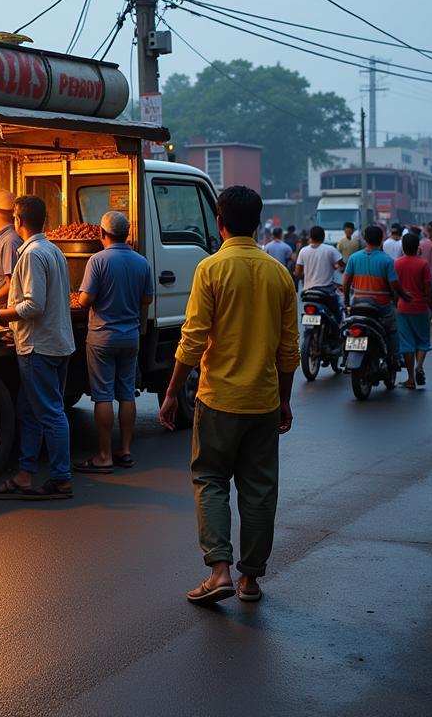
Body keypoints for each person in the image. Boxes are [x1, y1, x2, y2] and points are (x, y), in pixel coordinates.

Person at [159, 185, 299, 607]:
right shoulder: (279, 273)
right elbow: (289, 349)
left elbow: (193, 340)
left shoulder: (211, 268)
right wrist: (285, 400)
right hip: (263, 400)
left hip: (217, 399)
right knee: (259, 489)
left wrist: (170, 394)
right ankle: (250, 581)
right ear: (256, 224)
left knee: (211, 479)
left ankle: (218, 570)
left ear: (219, 223)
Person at [0, 195, 75, 501]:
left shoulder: (31, 254)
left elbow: (33, 304)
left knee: (50, 413)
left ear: (17, 220)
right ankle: (25, 474)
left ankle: (61, 479)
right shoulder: (53, 250)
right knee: (30, 411)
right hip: (54, 342)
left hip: (39, 348)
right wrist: (15, 328)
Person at [72, 211, 153, 474]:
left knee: (103, 395)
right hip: (130, 337)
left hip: (102, 337)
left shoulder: (98, 261)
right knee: (127, 393)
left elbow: (85, 301)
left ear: (102, 234)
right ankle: (125, 450)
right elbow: (147, 300)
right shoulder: (142, 262)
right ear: (126, 234)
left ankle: (105, 455)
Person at [343, 225, 408, 375]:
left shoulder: (354, 257)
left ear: (365, 240)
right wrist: (400, 296)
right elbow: (394, 285)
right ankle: (395, 357)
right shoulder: (387, 260)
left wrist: (346, 301)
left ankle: (344, 355)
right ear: (381, 240)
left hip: (357, 304)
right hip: (381, 306)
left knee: (348, 327)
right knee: (392, 328)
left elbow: (346, 283)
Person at [394, 233, 432, 389]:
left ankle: (410, 378)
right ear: (418, 247)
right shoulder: (423, 264)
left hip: (403, 307)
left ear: (403, 247)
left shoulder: (397, 263)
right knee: (422, 340)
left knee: (407, 343)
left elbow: (394, 286)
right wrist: (431, 305)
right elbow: (427, 288)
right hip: (421, 306)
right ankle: (420, 366)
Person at [294, 226, 343, 314]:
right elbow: (342, 266)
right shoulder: (330, 250)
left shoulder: (303, 251)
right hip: (326, 290)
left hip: (308, 292)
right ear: (323, 237)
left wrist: (307, 274)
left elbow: (297, 273)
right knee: (337, 313)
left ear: (310, 237)